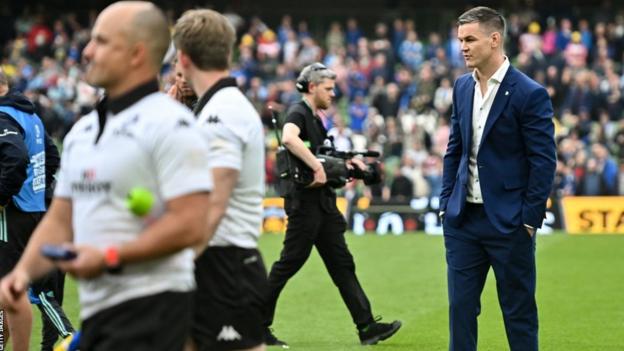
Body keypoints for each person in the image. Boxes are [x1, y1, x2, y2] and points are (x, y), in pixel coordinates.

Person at [0, 2, 213, 350]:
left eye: (101, 41)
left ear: (136, 53)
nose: (86, 51)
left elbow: (191, 225)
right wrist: (21, 274)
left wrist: (111, 256)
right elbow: (60, 219)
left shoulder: (172, 127)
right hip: (100, 314)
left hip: (157, 314)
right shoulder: (83, 132)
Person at [439, 7, 556, 351]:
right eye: (460, 40)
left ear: (494, 39)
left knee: (518, 314)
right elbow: (454, 150)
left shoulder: (529, 93)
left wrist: (529, 221)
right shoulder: (462, 87)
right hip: (463, 222)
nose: (462, 47)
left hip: (510, 224)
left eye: (470, 39)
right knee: (460, 311)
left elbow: (543, 162)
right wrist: (446, 205)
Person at [264, 62, 402, 346]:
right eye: (328, 88)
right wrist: (317, 167)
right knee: (288, 264)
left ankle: (367, 328)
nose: (334, 93)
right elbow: (290, 138)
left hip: (323, 206)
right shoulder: (299, 112)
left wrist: (347, 164)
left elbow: (319, 153)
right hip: (305, 206)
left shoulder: (315, 118)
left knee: (342, 265)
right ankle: (254, 325)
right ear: (312, 87)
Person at [173, 9, 268, 351]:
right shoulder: (214, 109)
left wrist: (171, 267)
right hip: (215, 261)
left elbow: (212, 205)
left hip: (225, 265)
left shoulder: (221, 114)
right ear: (228, 53)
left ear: (183, 58)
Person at [0, 69, 74, 350]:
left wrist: (4, 195)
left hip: (13, 212)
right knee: (20, 290)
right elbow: (52, 156)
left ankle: (70, 337)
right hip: (37, 209)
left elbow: (16, 157)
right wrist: (37, 191)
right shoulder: (29, 115)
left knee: (19, 289)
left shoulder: (3, 117)